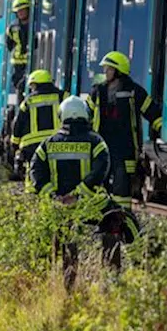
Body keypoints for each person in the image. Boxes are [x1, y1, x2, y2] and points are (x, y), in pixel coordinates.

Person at [29, 95, 111, 290]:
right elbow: (102, 168)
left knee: (58, 244)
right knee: (115, 225)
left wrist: (53, 196)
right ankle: (108, 280)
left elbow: (35, 170)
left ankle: (57, 286)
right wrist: (79, 194)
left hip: (58, 207)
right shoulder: (96, 141)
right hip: (89, 206)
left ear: (62, 116)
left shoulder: (48, 143)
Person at [87, 51, 163, 207]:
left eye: (108, 69)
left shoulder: (134, 91)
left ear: (118, 71)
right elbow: (86, 114)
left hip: (125, 148)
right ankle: (102, 218)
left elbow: (152, 112)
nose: (105, 72)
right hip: (102, 147)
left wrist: (162, 130)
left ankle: (121, 219)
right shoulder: (98, 91)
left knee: (122, 189)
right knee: (100, 185)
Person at [10, 69, 65, 181]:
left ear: (35, 84)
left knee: (34, 172)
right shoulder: (63, 96)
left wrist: (15, 143)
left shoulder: (28, 101)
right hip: (57, 142)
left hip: (32, 145)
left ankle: (32, 193)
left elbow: (18, 123)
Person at [6, 0, 32, 97]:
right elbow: (9, 45)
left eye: (22, 10)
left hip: (30, 62)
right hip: (17, 65)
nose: (20, 13)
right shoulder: (12, 28)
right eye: (18, 11)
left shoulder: (34, 24)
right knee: (19, 87)